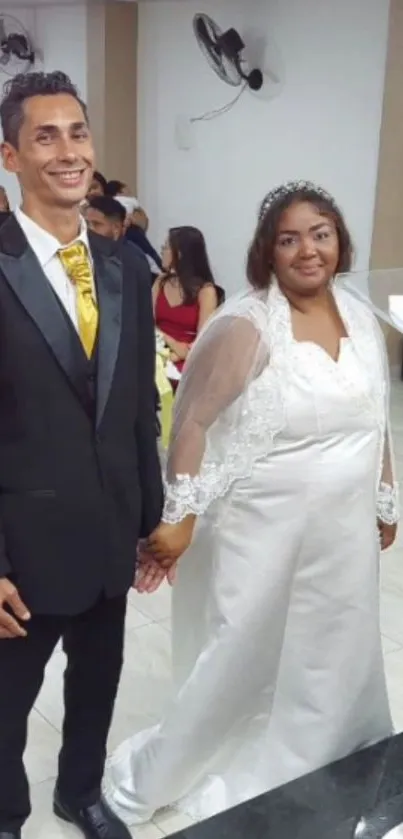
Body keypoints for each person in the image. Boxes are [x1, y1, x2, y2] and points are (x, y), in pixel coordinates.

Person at [105, 181, 398, 826]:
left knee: (333, 640)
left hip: (341, 530)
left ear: (339, 241)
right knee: (242, 645)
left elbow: (376, 415)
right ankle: (170, 768)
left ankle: (327, 748)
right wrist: (179, 516)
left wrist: (385, 496)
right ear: (267, 251)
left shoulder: (358, 315)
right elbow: (193, 424)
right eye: (289, 238)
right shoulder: (246, 324)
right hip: (261, 529)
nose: (307, 251)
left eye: (320, 234)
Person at [0, 70, 162, 839]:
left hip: (108, 532)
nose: (69, 152)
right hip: (21, 549)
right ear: (9, 155)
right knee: (5, 699)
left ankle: (81, 790)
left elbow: (137, 411)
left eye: (78, 132)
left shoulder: (127, 268)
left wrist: (154, 517)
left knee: (98, 680)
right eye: (45, 135)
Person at [153, 225, 219, 381]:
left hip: (189, 359)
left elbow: (203, 341)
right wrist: (167, 347)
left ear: (179, 254)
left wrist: (175, 351)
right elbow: (147, 322)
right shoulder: (161, 282)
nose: (162, 251)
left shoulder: (206, 291)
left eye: (166, 247)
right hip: (158, 351)